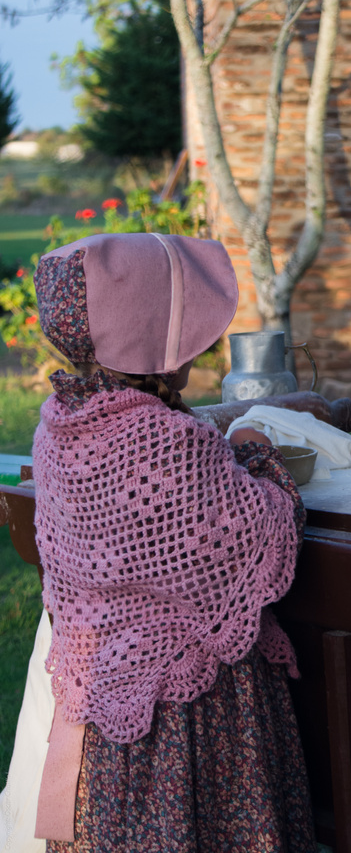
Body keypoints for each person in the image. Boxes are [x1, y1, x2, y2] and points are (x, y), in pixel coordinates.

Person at [24, 231, 315, 853]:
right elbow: (261, 532)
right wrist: (257, 455)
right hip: (195, 717)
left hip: (105, 725)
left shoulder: (56, 431)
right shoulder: (172, 444)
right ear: (160, 342)